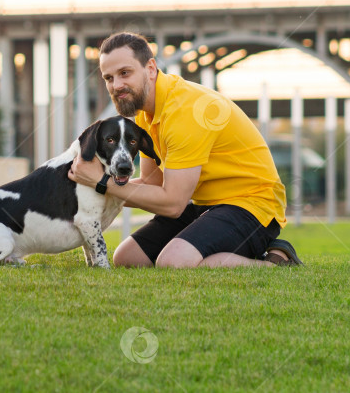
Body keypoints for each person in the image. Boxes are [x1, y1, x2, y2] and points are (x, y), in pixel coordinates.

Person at [68, 32, 303, 268]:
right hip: (207, 204)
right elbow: (153, 185)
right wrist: (85, 183)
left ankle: (276, 262)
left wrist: (101, 182)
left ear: (150, 68)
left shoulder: (185, 111)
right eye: (108, 78)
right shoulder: (144, 116)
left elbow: (172, 203)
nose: (116, 85)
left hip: (253, 205)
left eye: (124, 73)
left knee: (173, 262)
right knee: (127, 258)